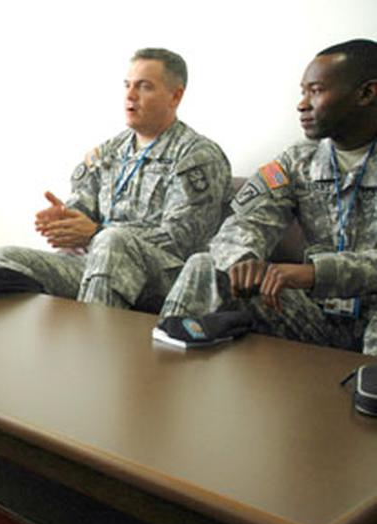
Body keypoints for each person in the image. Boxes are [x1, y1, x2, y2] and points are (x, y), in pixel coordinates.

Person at [0, 48, 231, 313]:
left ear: (175, 96)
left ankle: (90, 355)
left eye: (144, 86)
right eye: (127, 85)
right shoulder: (110, 152)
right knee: (6, 260)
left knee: (113, 242)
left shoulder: (197, 157)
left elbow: (182, 240)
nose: (130, 96)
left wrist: (97, 232)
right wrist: (67, 220)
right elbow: (83, 208)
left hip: (168, 277)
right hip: (96, 262)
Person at [159, 39, 377, 354]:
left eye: (315, 91)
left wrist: (316, 273)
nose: (302, 104)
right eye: (303, 92)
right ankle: (161, 374)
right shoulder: (295, 162)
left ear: (367, 93)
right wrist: (242, 259)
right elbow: (246, 220)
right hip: (316, 316)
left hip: (371, 315)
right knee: (204, 265)